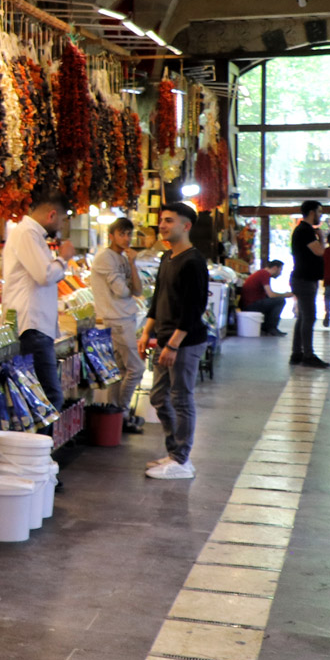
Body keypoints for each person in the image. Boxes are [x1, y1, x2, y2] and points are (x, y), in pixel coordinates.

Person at [140, 202, 209, 480]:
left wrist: (173, 345)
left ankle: (182, 459)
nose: (163, 225)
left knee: (181, 399)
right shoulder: (168, 258)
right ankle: (173, 452)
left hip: (185, 342)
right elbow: (158, 300)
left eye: (169, 221)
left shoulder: (193, 261)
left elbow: (194, 308)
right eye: (162, 221)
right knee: (158, 396)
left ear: (186, 226)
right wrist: (147, 331)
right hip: (164, 340)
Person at [2, 189, 73, 406]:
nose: (61, 226)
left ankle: (41, 440)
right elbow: (44, 275)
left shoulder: (33, 235)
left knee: (43, 398)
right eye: (62, 220)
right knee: (48, 399)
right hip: (32, 327)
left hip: (39, 327)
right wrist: (63, 258)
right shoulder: (26, 234)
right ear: (51, 215)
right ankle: (41, 441)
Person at [88, 217, 146, 434]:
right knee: (137, 369)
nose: (126, 238)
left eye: (129, 234)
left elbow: (138, 290)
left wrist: (132, 264)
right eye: (122, 234)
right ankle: (121, 411)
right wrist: (130, 266)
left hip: (125, 318)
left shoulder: (122, 258)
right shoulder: (106, 259)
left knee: (120, 371)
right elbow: (122, 291)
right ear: (111, 235)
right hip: (118, 320)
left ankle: (116, 415)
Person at [290, 199, 328, 368]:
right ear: (312, 212)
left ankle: (297, 353)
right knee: (309, 317)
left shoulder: (303, 230)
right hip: (304, 280)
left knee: (303, 317)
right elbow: (319, 252)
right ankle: (308, 355)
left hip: (302, 278)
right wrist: (322, 237)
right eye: (319, 212)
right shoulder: (305, 231)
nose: (320, 215)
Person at [236, 259, 287, 336]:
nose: (280, 273)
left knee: (271, 301)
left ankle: (266, 327)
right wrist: (286, 295)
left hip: (249, 303)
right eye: (280, 270)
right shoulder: (264, 274)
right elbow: (271, 294)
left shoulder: (261, 273)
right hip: (250, 305)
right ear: (275, 268)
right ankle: (271, 328)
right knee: (280, 301)